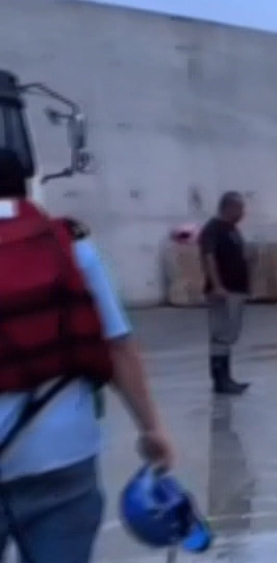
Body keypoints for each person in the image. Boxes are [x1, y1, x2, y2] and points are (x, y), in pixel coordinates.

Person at [0, 148, 174, 562]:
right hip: (64, 454)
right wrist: (151, 429)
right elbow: (119, 346)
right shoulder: (72, 248)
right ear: (25, 188)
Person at [198, 192, 251, 395]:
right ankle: (220, 380)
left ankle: (227, 377)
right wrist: (217, 285)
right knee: (220, 335)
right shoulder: (213, 229)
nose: (243, 213)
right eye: (240, 209)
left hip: (236, 290)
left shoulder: (232, 230)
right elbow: (208, 257)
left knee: (228, 335)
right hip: (224, 291)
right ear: (229, 208)